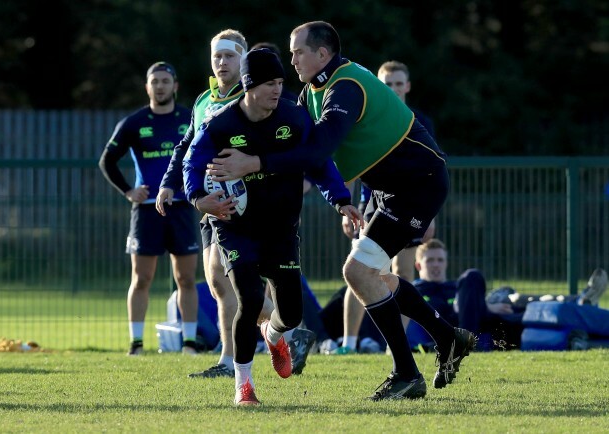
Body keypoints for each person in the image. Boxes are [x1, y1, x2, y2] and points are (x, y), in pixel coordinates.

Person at [205, 21, 476, 400]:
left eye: (299, 51)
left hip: (419, 184)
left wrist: (253, 163)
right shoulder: (310, 93)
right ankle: (448, 338)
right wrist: (336, 198)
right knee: (373, 275)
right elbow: (304, 156)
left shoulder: (345, 87)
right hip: (388, 190)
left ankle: (406, 373)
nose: (293, 59)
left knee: (358, 271)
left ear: (322, 53)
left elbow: (316, 152)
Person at [182, 48, 362, 406]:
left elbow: (318, 163)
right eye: (268, 83)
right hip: (235, 226)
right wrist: (199, 199)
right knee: (248, 299)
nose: (277, 89)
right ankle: (244, 386)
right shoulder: (221, 124)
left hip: (280, 226)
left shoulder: (294, 117)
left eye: (280, 82)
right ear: (249, 85)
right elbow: (192, 162)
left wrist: (341, 200)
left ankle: (274, 334)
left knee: (291, 312)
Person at [155, 30, 317, 378]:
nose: (222, 63)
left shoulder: (270, 100)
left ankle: (248, 351)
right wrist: (170, 184)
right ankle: (269, 342)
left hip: (263, 208)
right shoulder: (204, 102)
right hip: (217, 203)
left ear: (244, 61)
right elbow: (186, 147)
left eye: (229, 56)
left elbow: (302, 150)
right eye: (216, 57)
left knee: (241, 280)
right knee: (219, 283)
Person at [334, 60, 437, 355]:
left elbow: (432, 171)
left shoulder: (420, 121)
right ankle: (348, 344)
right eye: (386, 84)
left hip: (409, 203)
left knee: (403, 272)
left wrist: (430, 215)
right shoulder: (365, 116)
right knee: (359, 268)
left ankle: (397, 346)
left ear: (407, 86)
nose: (392, 89)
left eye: (397, 83)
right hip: (371, 203)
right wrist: (347, 203)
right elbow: (349, 160)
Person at [99, 61, 200, 356]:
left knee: (186, 278)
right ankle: (136, 344)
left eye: (165, 80)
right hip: (146, 210)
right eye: (154, 81)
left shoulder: (188, 119)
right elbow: (107, 160)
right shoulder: (134, 122)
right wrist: (128, 191)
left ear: (175, 86)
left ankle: (190, 343)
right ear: (147, 87)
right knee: (141, 279)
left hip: (181, 207)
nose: (160, 86)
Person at [413, 238, 609, 350]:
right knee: (472, 276)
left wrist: (486, 306)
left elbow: (471, 305)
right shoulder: (416, 290)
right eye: (430, 261)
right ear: (419, 265)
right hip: (460, 328)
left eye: (440, 260)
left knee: (533, 316)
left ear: (446, 262)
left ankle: (580, 305)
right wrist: (485, 306)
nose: (436, 265)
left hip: (486, 322)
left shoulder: (455, 286)